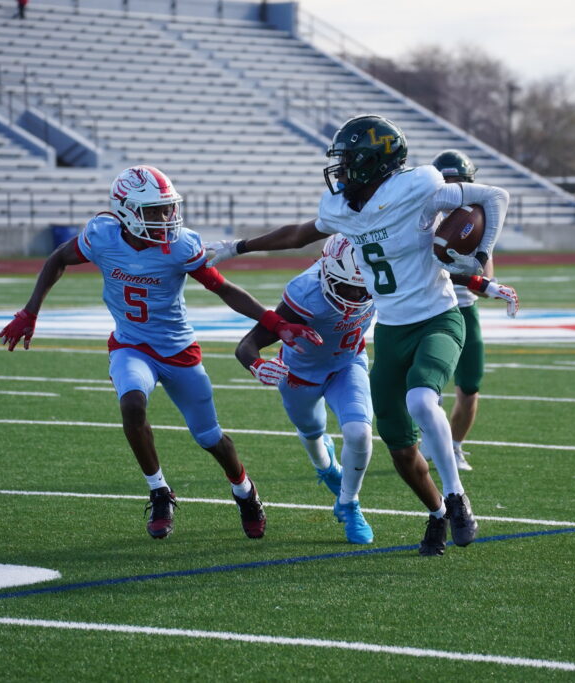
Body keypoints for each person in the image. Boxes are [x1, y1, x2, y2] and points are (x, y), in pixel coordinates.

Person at [206, 114, 519, 556]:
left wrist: (481, 259)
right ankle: (436, 514)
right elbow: (299, 234)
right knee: (400, 448)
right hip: (390, 330)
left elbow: (494, 196)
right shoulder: (340, 211)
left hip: (437, 316)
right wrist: (238, 246)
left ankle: (456, 498)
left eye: (350, 160)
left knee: (420, 400)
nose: (341, 169)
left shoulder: (419, 185)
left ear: (375, 162)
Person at [0, 165, 321, 541]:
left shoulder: (180, 245)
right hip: (131, 345)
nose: (166, 218)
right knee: (132, 404)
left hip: (178, 350)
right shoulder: (102, 236)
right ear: (126, 212)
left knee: (210, 438)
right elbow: (58, 258)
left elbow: (222, 288)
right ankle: (159, 492)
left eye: (168, 209)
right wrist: (30, 311)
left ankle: (245, 492)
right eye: (155, 211)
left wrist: (274, 322)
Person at [235, 234, 376, 545]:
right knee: (312, 434)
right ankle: (326, 468)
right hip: (300, 373)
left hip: (348, 363)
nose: (356, 295)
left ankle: (348, 504)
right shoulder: (306, 294)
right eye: (347, 287)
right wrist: (257, 365)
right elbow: (247, 345)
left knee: (359, 433)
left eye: (363, 286)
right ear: (327, 274)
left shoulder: (380, 275)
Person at [430, 150, 518, 472]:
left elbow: (484, 281)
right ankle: (431, 438)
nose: (453, 189)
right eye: (447, 182)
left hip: (465, 310)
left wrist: (476, 266)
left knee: (469, 387)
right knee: (427, 387)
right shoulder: (424, 219)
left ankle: (454, 447)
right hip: (431, 310)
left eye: (458, 182)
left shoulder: (477, 224)